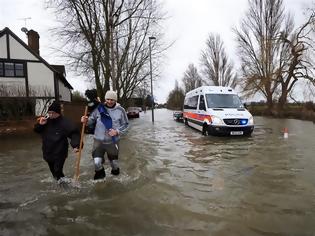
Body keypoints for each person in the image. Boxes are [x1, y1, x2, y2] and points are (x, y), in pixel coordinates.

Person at [81, 90, 129, 180]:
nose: (109, 102)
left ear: (115, 100)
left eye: (112, 100)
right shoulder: (99, 108)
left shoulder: (121, 110)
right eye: (108, 99)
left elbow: (126, 125)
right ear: (105, 99)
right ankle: (100, 179)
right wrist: (85, 120)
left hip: (113, 142)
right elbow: (91, 120)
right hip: (98, 141)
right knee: (97, 162)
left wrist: (117, 131)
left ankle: (115, 178)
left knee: (114, 164)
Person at [34, 101, 81, 182]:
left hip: (60, 152)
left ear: (58, 113)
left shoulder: (65, 122)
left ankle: (65, 188)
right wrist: (40, 125)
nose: (50, 115)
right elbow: (37, 130)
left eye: (52, 113)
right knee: (54, 174)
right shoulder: (46, 120)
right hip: (48, 151)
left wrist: (76, 145)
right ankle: (64, 184)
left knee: (57, 171)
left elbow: (74, 133)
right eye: (49, 113)